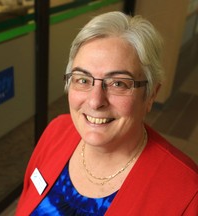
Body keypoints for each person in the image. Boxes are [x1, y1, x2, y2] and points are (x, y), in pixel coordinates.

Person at [15, 11, 198, 215]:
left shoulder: (187, 193)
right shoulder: (56, 131)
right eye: (83, 80)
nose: (95, 101)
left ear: (151, 94)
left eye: (118, 83)